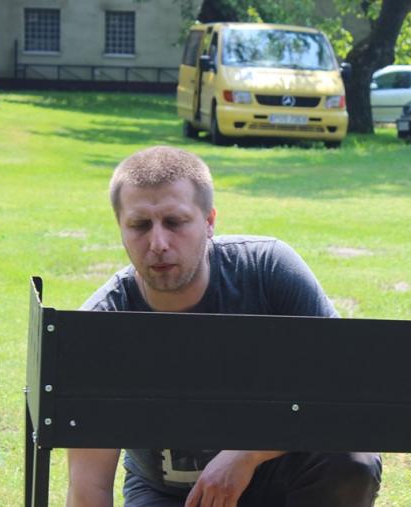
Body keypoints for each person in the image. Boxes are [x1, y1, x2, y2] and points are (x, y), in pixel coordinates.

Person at [67, 145, 382, 507]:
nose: (158, 243)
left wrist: (246, 454)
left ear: (209, 221)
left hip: (280, 478)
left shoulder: (268, 270)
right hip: (170, 494)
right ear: (120, 228)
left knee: (349, 461)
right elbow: (89, 487)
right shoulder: (101, 324)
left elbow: (342, 388)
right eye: (140, 225)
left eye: (175, 222)